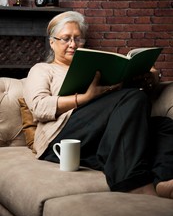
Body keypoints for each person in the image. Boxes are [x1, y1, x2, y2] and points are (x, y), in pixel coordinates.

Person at [24, 11, 173, 199]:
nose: (73, 44)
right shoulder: (42, 69)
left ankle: (163, 181)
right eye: (65, 39)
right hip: (62, 137)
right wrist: (84, 98)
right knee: (133, 97)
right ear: (52, 42)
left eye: (78, 39)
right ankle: (131, 183)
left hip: (100, 132)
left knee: (164, 126)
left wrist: (149, 77)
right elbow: (38, 106)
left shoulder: (96, 67)